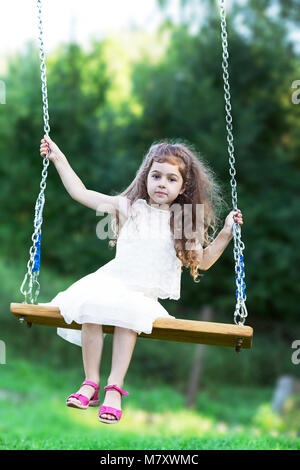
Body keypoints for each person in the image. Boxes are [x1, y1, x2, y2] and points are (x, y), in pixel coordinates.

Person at [39, 135, 243, 424]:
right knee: (89, 304)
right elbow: (81, 193)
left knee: (128, 316)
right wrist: (58, 157)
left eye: (171, 179)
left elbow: (204, 261)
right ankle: (90, 382)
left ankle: (115, 387)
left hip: (142, 296)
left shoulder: (183, 221)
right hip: (111, 282)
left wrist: (225, 233)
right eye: (156, 175)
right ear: (146, 177)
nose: (162, 183)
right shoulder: (129, 207)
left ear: (183, 187)